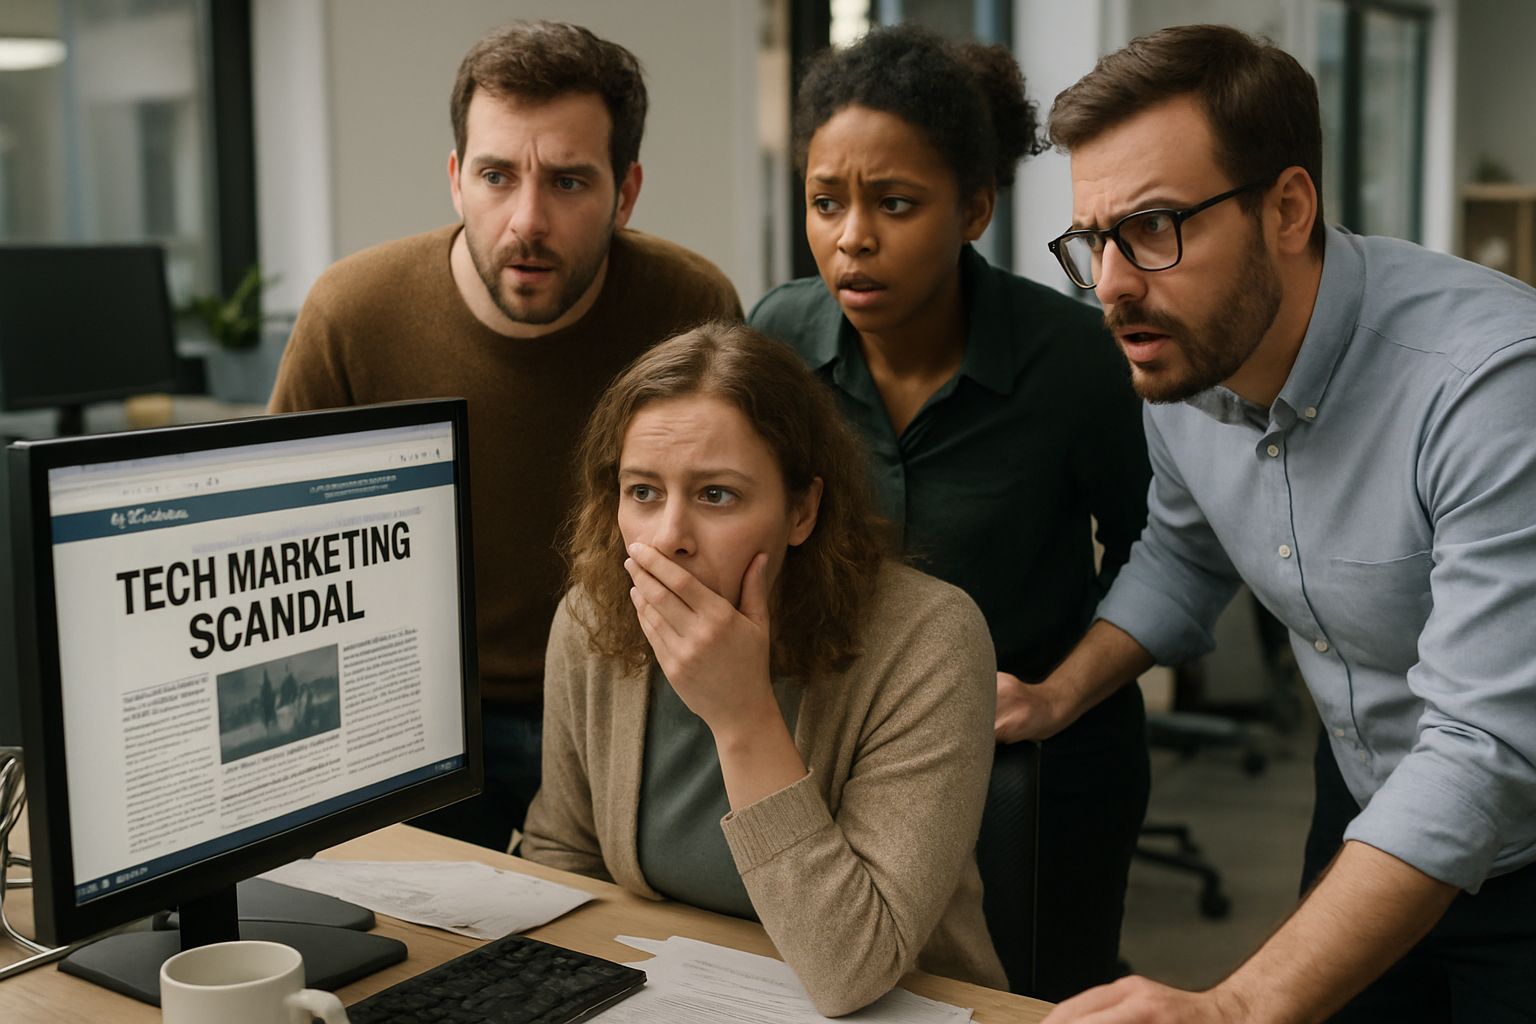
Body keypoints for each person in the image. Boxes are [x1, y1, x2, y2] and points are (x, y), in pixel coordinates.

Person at [1009, 24, 1536, 1024]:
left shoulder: (1491, 386)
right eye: (1094, 240)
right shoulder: (1184, 358)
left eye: (1155, 226)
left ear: (1288, 207)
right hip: (1366, 810)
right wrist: (1056, 696)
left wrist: (1237, 1004)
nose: (1114, 283)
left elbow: (1482, 749)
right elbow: (1180, 550)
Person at [748, 25, 1151, 1001]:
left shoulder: (1073, 360)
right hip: (840, 754)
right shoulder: (775, 341)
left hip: (1038, 764)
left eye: (894, 204)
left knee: (1034, 995)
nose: (853, 238)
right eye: (825, 202)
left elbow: (1163, 553)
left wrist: (1060, 692)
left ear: (973, 208)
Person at [269, 21, 741, 852]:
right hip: (413, 725)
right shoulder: (351, 314)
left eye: (567, 182)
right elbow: (278, 547)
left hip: (632, 703)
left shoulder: (687, 308)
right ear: (456, 180)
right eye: (497, 176)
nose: (528, 220)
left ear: (625, 193)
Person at [520, 322, 1009, 1016]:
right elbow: (558, 856)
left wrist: (743, 715)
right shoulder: (591, 619)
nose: (669, 540)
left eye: (716, 495)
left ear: (802, 510)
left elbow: (853, 970)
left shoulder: (930, 641)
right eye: (643, 492)